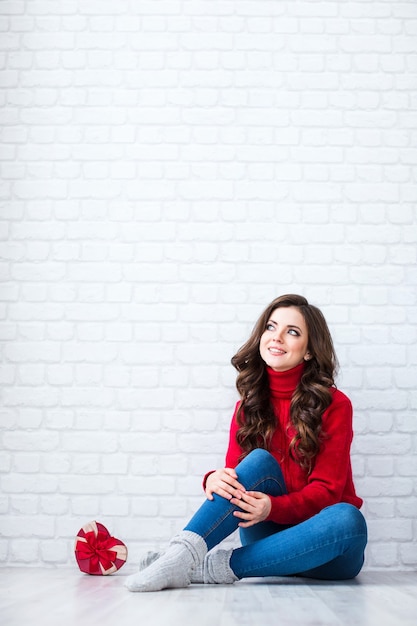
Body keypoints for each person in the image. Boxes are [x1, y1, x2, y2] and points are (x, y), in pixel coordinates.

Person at [125, 294, 367, 592]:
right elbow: (237, 481)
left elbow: (328, 492)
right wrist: (213, 479)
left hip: (327, 546)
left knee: (347, 518)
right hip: (264, 536)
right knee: (258, 462)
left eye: (292, 332)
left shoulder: (335, 405)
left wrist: (272, 508)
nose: (276, 337)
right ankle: (181, 555)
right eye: (270, 327)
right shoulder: (248, 406)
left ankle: (200, 567)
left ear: (308, 350)